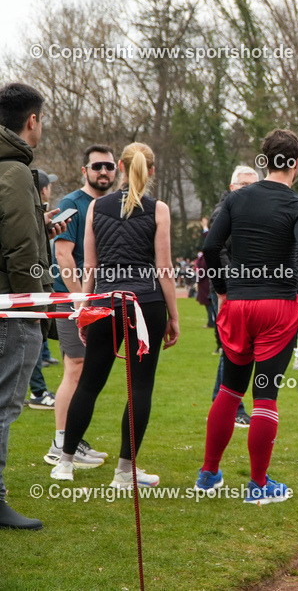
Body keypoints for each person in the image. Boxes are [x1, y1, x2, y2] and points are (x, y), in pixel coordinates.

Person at [195, 130, 298, 505]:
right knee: (265, 393)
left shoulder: (237, 200)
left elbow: (210, 246)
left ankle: (208, 474)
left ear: (263, 161)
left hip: (237, 304)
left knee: (230, 390)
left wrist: (220, 289)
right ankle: (258, 485)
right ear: (296, 164)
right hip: (277, 308)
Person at [49, 143, 180, 488]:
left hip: (106, 300)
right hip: (146, 302)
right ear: (151, 171)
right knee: (140, 386)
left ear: (120, 167)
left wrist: (83, 310)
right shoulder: (158, 209)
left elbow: (88, 265)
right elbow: (164, 268)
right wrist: (174, 316)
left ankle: (65, 461)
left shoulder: (96, 206)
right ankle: (124, 471)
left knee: (90, 381)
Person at [0, 82, 67, 529]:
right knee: (5, 404)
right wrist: (36, 309)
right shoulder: (17, 172)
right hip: (12, 308)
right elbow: (21, 250)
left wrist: (41, 227)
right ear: (32, 120)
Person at [43, 145, 116, 468]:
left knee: (86, 370)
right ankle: (60, 443)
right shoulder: (71, 204)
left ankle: (73, 439)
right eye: (97, 166)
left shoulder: (110, 205)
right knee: (74, 367)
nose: (104, 171)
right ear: (84, 171)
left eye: (109, 166)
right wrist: (79, 299)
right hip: (73, 299)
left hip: (98, 298)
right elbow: (62, 255)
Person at [203, 165, 260, 428]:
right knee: (233, 349)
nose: (250, 190)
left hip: (246, 288)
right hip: (227, 288)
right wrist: (228, 285)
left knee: (237, 350)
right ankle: (233, 406)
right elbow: (217, 251)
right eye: (244, 185)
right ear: (232, 187)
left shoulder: (251, 212)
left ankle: (225, 402)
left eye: (254, 185)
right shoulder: (223, 212)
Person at [26, 169, 58, 410]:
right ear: (44, 190)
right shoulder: (27, 209)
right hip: (31, 287)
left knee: (37, 342)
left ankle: (38, 389)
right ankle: (38, 391)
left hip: (36, 285)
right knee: (33, 340)